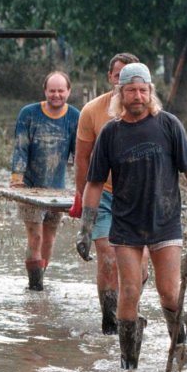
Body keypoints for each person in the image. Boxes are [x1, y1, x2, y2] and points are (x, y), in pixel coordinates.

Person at [76, 63, 187, 369]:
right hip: (125, 224)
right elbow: (95, 183)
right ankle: (128, 363)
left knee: (169, 291)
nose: (137, 96)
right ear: (121, 94)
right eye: (131, 90)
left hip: (165, 221)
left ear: (150, 92)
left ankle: (179, 347)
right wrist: (85, 229)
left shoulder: (168, 125)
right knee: (129, 291)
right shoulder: (111, 133)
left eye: (143, 90)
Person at [70, 52, 141, 334]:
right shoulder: (92, 111)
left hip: (138, 196)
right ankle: (110, 324)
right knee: (108, 257)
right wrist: (83, 198)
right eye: (118, 74)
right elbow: (82, 159)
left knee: (140, 270)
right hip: (104, 193)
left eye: (129, 75)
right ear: (111, 78)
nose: (122, 79)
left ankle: (129, 311)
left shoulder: (147, 110)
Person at [11, 71, 80, 290]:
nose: (56, 95)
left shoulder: (74, 117)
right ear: (45, 91)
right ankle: (35, 287)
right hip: (30, 187)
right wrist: (17, 179)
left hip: (57, 190)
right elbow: (20, 147)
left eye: (61, 91)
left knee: (50, 239)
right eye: (52, 91)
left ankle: (41, 279)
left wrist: (83, 186)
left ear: (68, 91)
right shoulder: (29, 114)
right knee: (36, 237)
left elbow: (78, 154)